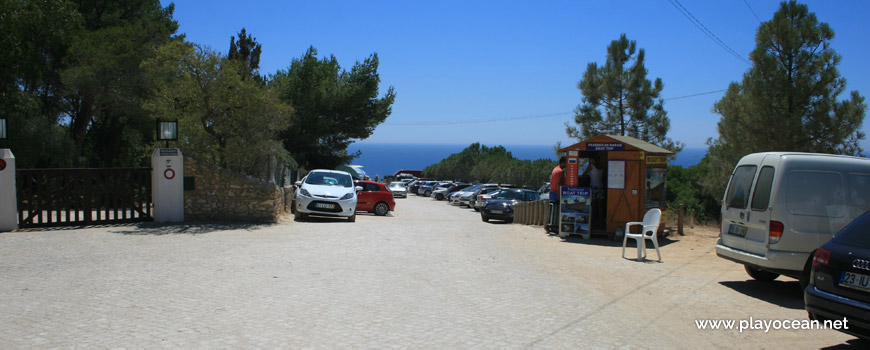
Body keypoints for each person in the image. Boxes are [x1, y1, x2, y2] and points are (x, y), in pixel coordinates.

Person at [584, 156, 606, 229]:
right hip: (600, 187)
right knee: (599, 206)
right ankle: (600, 221)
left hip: (593, 187)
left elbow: (584, 174)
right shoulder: (600, 167)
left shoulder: (591, 167)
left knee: (593, 205)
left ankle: (592, 222)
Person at [547, 156, 567, 233]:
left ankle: (550, 225)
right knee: (557, 210)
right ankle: (555, 226)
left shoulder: (555, 169)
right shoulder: (560, 171)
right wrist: (559, 195)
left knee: (552, 210)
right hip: (556, 192)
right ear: (563, 162)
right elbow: (558, 183)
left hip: (552, 191)